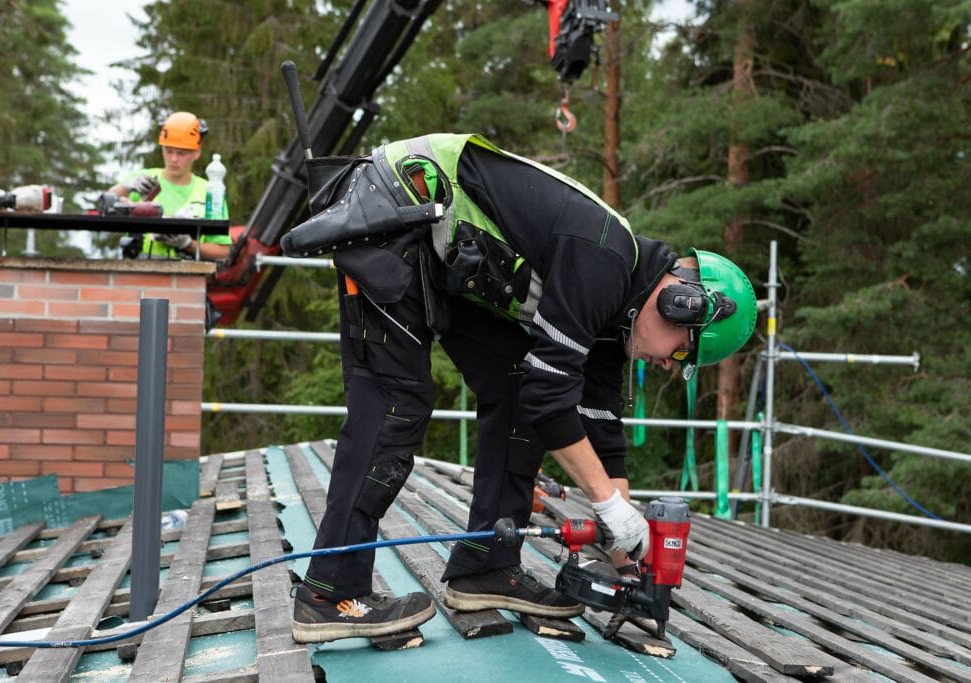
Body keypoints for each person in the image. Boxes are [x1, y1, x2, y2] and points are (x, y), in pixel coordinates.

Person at [282, 133, 758, 643]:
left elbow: (601, 430)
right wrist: (609, 507)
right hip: (397, 210)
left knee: (515, 384)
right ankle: (329, 593)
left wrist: (631, 563)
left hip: (438, 247)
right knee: (397, 401)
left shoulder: (614, 312)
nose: (668, 363)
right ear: (682, 303)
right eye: (683, 351)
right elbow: (550, 395)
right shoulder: (604, 260)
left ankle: (486, 564)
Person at [108, 111, 232, 260]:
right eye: (169, 151)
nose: (173, 159)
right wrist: (127, 186)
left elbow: (223, 252)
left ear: (197, 153)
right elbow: (106, 204)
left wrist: (187, 244)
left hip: (186, 278)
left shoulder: (210, 192)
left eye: (181, 153)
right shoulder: (143, 179)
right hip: (138, 273)